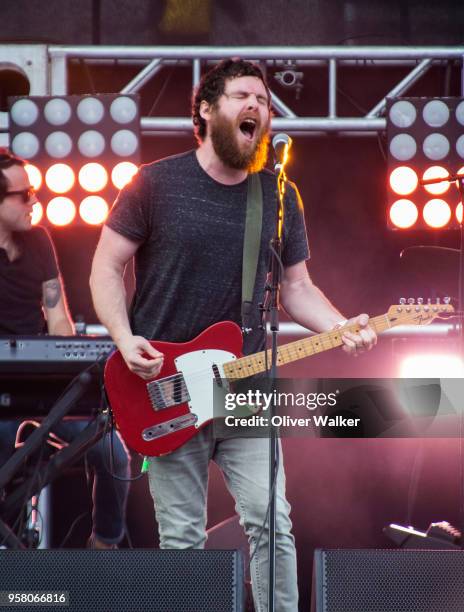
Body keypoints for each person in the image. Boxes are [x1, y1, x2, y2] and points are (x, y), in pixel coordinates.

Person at [90, 59, 377, 610]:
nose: (257, 107)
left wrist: (343, 327)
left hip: (246, 382)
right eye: (243, 95)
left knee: (273, 523)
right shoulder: (154, 183)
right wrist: (125, 340)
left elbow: (297, 288)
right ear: (204, 108)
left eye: (264, 102)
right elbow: (105, 267)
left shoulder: (276, 195)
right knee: (182, 540)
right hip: (166, 387)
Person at [0, 148, 130, 550]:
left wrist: (66, 356)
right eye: (24, 196)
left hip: (39, 385)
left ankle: (104, 545)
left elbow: (57, 317)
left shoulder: (39, 241)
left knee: (112, 452)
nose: (34, 201)